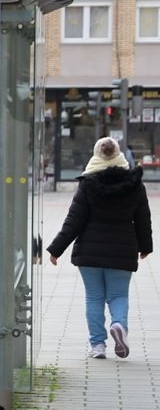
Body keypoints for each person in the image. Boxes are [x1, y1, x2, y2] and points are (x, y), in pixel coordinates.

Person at [47, 137, 152, 359]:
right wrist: (145, 246)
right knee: (118, 296)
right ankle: (119, 325)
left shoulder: (88, 184)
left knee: (94, 298)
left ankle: (97, 345)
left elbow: (74, 220)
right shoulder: (135, 185)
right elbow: (143, 220)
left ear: (97, 155)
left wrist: (56, 249)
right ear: (118, 154)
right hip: (122, 251)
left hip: (89, 253)